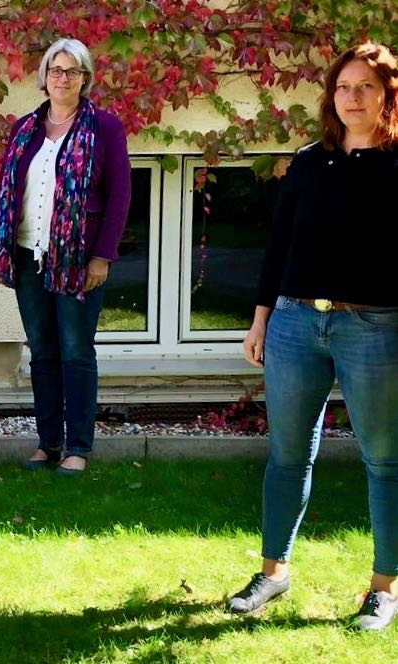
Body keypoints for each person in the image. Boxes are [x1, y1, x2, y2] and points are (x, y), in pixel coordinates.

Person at [228, 42, 398, 631]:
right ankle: (273, 573)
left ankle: (384, 588)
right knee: (286, 455)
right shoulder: (308, 162)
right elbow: (277, 249)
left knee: (385, 459)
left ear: (387, 97)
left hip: (374, 326)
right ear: (331, 96)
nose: (353, 98)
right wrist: (261, 318)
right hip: (297, 322)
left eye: (366, 88)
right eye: (344, 87)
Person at [0, 37, 131, 475]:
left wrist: (102, 256)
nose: (62, 78)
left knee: (75, 350)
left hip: (77, 259)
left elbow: (120, 197)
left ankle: (78, 447)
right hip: (28, 253)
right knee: (43, 352)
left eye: (71, 71)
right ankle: (48, 443)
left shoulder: (104, 128)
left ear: (84, 78)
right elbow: (7, 189)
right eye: (55, 70)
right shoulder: (25, 127)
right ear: (44, 76)